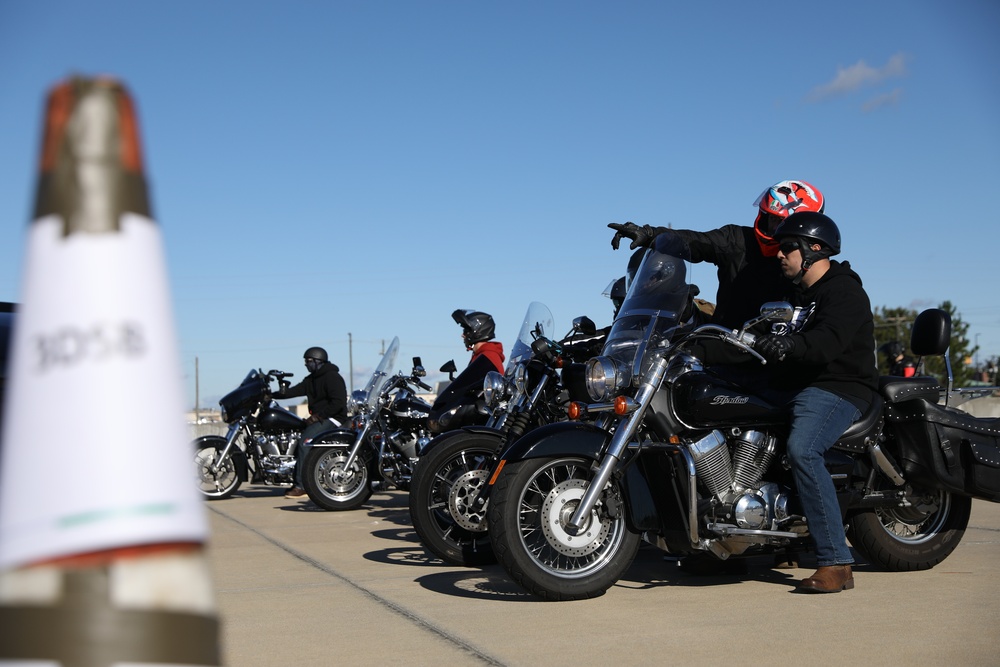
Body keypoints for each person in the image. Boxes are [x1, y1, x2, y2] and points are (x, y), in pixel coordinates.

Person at [751, 211, 878, 593]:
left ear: (815, 249)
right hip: (798, 385)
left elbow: (827, 341)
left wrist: (790, 343)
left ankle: (836, 561)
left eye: (787, 247)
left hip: (841, 387)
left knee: (803, 449)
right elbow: (758, 334)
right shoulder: (793, 297)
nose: (779, 254)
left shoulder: (844, 291)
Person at [609, 179, 825, 330]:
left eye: (782, 223)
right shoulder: (737, 239)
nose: (774, 228)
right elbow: (697, 241)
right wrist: (650, 234)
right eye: (771, 219)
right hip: (724, 343)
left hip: (775, 352)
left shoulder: (814, 266)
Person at [274, 346, 348, 499]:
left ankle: (302, 486)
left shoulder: (332, 377)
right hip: (321, 418)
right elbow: (295, 391)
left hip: (334, 419)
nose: (306, 364)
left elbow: (338, 403)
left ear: (318, 361)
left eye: (308, 361)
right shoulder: (311, 379)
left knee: (305, 443)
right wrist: (271, 394)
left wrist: (317, 417)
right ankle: (295, 479)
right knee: (296, 440)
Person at [427, 310, 505, 433]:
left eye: (466, 331)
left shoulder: (489, 356)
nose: (463, 335)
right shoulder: (480, 355)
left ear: (477, 331)